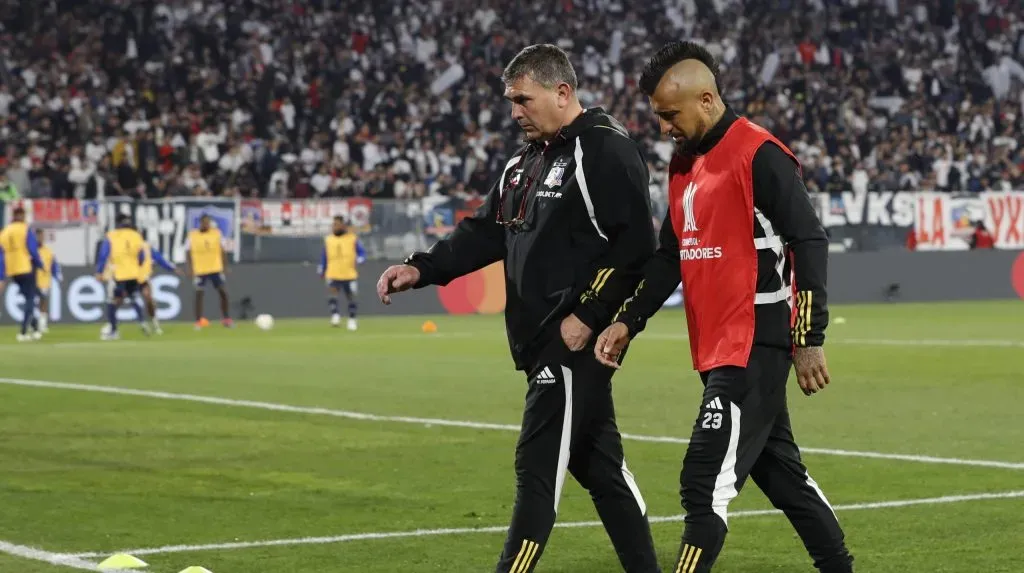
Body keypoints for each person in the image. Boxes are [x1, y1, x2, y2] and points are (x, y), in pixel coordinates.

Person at [377, 44, 661, 573]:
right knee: (601, 471)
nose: (514, 112)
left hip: (570, 341)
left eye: (523, 99)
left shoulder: (603, 151)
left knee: (536, 474)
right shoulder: (525, 161)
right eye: (511, 101)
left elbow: (635, 248)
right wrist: (424, 267)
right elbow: (486, 230)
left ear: (562, 92)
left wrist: (589, 315)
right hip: (539, 341)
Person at [594, 41, 855, 573]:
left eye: (671, 114)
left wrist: (809, 338)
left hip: (755, 337)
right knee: (781, 474)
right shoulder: (684, 163)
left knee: (703, 480)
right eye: (659, 117)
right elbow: (671, 256)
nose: (665, 126)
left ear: (707, 99)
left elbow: (809, 240)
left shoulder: (760, 155)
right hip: (717, 342)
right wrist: (628, 320)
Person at [95, 214, 150, 341]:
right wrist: (135, 265)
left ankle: (113, 331)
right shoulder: (136, 235)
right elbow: (141, 256)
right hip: (133, 273)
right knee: (134, 297)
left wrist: (99, 271)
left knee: (112, 301)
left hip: (118, 274)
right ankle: (142, 322)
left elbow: (103, 255)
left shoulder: (111, 236)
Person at [0, 206, 43, 341]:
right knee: (31, 299)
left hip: (12, 269)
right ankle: (23, 332)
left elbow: (1, 251)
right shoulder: (25, 229)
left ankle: (35, 326)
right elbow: (32, 249)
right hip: (25, 267)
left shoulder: (5, 231)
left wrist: (2, 272)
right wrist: (40, 264)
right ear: (22, 216)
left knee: (28, 298)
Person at [318, 215, 366, 330]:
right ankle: (335, 316)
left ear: (343, 225)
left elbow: (362, 253)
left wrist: (360, 259)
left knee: (351, 297)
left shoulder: (352, 238)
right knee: (332, 295)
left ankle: (352, 320)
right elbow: (324, 256)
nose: (334, 226)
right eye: (333, 224)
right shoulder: (329, 240)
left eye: (337, 224)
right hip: (333, 272)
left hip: (349, 273)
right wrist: (321, 268)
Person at [186, 214, 233, 329]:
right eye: (205, 223)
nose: (207, 225)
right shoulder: (192, 235)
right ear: (200, 223)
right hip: (200, 269)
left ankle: (226, 319)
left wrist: (225, 266)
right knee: (199, 294)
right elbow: (188, 252)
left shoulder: (216, 233)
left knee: (223, 292)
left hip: (215, 268)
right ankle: (198, 321)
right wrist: (190, 268)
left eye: (208, 223)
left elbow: (222, 250)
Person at [138, 240, 181, 334]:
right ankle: (112, 325)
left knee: (149, 298)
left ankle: (155, 324)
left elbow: (161, 260)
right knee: (118, 299)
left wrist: (173, 268)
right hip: (127, 277)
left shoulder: (148, 249)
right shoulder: (129, 248)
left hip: (142, 278)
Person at [34, 228, 61, 333]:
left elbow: (53, 265)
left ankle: (42, 324)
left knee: (43, 302)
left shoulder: (48, 251)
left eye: (41, 236)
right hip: (33, 280)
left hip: (44, 281)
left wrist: (57, 275)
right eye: (38, 236)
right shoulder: (31, 251)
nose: (40, 238)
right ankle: (33, 323)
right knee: (32, 303)